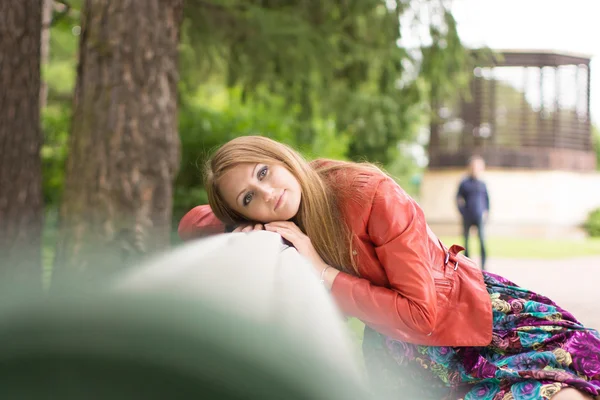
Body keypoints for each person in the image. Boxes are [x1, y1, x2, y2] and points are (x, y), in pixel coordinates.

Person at [179, 135, 600, 400]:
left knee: (565, 386)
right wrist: (243, 229)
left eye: (264, 172)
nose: (268, 192)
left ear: (280, 156)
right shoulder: (272, 217)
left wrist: (322, 271)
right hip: (404, 356)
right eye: (249, 197)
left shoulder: (369, 193)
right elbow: (194, 222)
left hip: (472, 320)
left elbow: (424, 313)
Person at [456, 155, 490, 269]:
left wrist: (487, 213)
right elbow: (458, 198)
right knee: (466, 242)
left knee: (482, 241)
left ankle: (484, 266)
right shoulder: (464, 183)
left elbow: (487, 200)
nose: (475, 169)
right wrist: (462, 212)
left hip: (479, 216)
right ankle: (467, 267)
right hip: (467, 216)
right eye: (474, 166)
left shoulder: (482, 184)